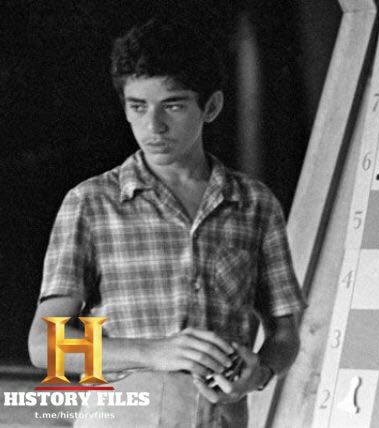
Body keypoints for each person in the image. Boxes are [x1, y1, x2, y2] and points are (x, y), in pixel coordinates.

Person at [27, 17, 305, 427]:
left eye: (173, 106)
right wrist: (153, 352)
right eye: (138, 107)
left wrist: (260, 372)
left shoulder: (255, 204)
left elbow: (285, 333)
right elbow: (44, 346)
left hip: (220, 419)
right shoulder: (91, 203)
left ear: (211, 107)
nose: (153, 126)